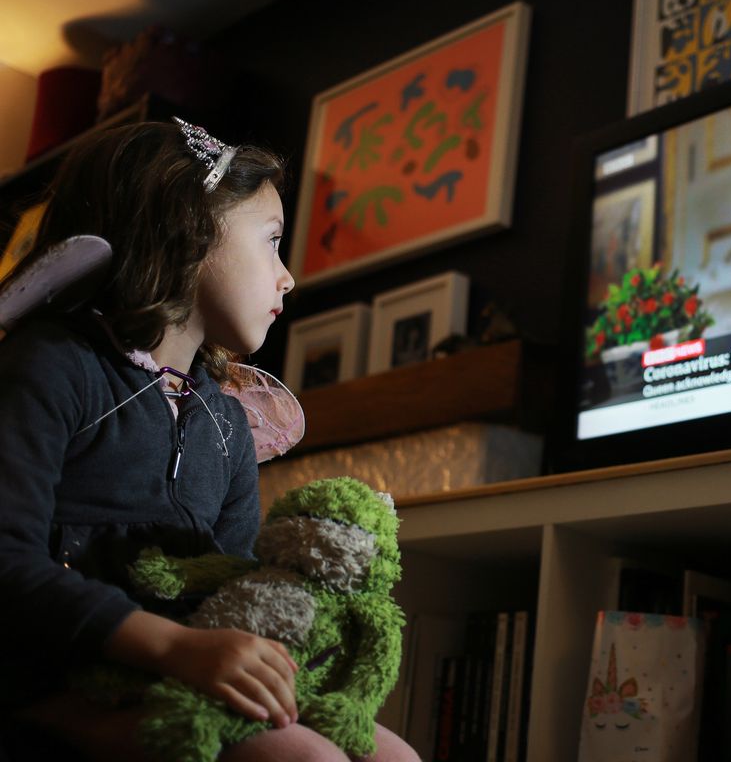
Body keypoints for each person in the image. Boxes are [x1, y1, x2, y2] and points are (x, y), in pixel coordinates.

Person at [0, 120, 419, 762]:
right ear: (187, 228)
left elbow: (226, 587)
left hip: (166, 679)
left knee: (391, 756)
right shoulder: (53, 364)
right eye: (273, 243)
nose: (288, 278)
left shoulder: (224, 424)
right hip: (45, 681)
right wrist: (171, 646)